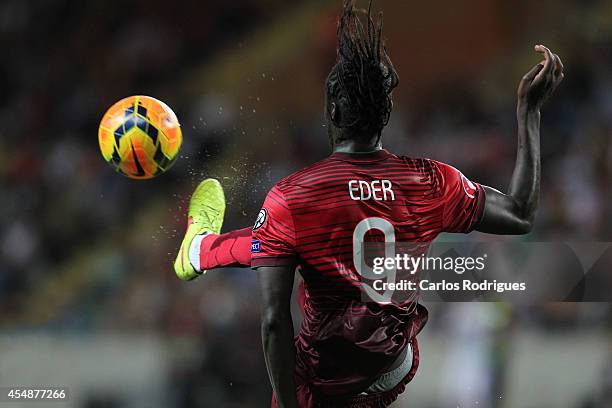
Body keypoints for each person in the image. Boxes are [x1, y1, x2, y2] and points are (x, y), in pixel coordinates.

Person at [173, 1, 564, 406]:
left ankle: (201, 249)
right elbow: (520, 212)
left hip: (323, 379)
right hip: (390, 367)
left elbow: (274, 322)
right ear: (387, 112)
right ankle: (201, 249)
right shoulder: (430, 181)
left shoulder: (294, 194)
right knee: (282, 241)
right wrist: (528, 112)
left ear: (332, 111)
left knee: (273, 241)